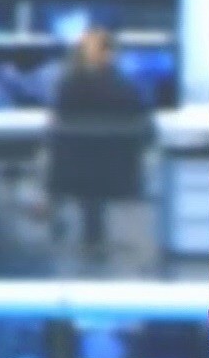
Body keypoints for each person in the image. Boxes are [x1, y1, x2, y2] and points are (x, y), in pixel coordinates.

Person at [46, 26, 149, 257]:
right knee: (95, 165)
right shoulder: (126, 88)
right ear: (111, 54)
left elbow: (57, 125)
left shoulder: (67, 87)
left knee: (64, 157)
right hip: (118, 171)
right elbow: (146, 128)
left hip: (74, 171)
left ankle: (51, 207)